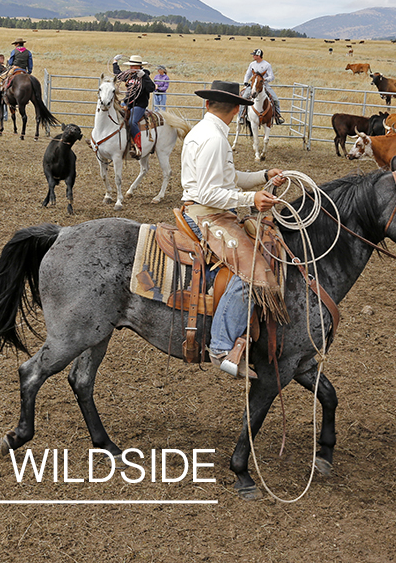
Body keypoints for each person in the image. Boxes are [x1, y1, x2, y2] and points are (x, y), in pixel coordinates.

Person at [180, 80, 287, 377]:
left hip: (207, 208)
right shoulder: (214, 139)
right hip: (207, 214)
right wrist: (250, 198)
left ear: (207, 104)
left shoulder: (206, 132)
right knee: (251, 267)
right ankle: (222, 347)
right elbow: (209, 193)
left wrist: (262, 175)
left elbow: (228, 177)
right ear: (237, 110)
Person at [115, 55, 154, 157]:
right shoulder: (129, 75)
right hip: (127, 103)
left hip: (139, 105)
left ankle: (137, 146)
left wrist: (144, 77)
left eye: (134, 66)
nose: (132, 68)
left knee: (132, 122)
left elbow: (151, 88)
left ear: (139, 67)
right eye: (131, 66)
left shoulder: (145, 76)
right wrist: (115, 62)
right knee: (114, 113)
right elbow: (118, 75)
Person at [243, 48, 283, 124]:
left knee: (275, 100)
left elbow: (271, 76)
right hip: (253, 85)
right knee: (244, 97)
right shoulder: (252, 64)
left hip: (264, 85)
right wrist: (245, 81)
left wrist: (264, 80)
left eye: (254, 55)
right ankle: (242, 116)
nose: (253, 56)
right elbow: (248, 74)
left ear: (259, 56)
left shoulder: (267, 65)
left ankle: (277, 116)